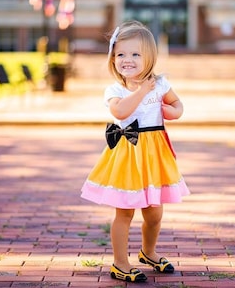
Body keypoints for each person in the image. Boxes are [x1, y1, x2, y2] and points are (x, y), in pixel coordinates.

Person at [81, 20, 190, 283]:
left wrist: (170, 111)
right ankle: (120, 262)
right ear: (112, 58)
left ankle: (148, 251)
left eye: (135, 54)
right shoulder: (116, 90)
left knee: (155, 212)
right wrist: (142, 91)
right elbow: (120, 111)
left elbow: (178, 105)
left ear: (149, 57)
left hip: (154, 155)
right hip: (129, 154)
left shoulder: (161, 83)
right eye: (120, 54)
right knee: (125, 211)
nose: (126, 59)